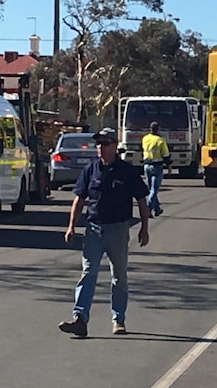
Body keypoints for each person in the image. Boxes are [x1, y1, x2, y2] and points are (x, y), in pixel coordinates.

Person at [59, 127, 151, 338]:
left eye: (105, 143)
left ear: (115, 146)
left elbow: (141, 200)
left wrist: (144, 228)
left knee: (118, 276)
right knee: (88, 273)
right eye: (98, 144)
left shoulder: (127, 171)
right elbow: (79, 199)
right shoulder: (91, 169)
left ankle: (118, 319)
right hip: (93, 229)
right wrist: (71, 225)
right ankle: (80, 319)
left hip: (118, 229)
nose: (100, 148)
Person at [141, 121, 171, 217]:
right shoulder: (160, 140)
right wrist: (169, 167)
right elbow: (166, 155)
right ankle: (148, 210)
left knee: (151, 190)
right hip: (157, 167)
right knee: (154, 190)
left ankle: (157, 209)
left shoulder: (145, 138)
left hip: (146, 166)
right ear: (158, 129)